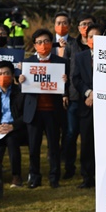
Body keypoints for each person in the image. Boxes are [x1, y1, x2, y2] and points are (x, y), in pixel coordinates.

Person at [19, 29, 69, 189]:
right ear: (34, 45)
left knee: (54, 146)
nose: (43, 45)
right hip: (34, 111)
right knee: (34, 147)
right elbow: (22, 86)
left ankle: (54, 178)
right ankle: (35, 177)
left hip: (53, 111)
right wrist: (20, 79)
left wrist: (65, 82)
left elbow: (67, 87)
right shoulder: (27, 63)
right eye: (39, 42)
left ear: (51, 42)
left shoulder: (61, 62)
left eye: (46, 41)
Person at [61, 13, 92, 180]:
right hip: (73, 96)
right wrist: (64, 93)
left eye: (89, 24)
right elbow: (64, 70)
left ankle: (89, 170)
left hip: (91, 98)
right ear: (78, 28)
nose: (86, 27)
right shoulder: (71, 45)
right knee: (71, 133)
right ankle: (69, 167)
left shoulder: (99, 46)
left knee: (89, 136)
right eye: (83, 24)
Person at [0, 61, 25, 187]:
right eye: (0, 73)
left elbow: (26, 115)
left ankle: (16, 176)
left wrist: (13, 126)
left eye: (6, 73)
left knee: (11, 140)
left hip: (15, 128)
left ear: (13, 75)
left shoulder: (20, 93)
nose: (3, 76)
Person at [71, 30, 97, 189]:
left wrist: (98, 95)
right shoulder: (81, 57)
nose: (93, 39)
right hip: (86, 105)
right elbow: (76, 78)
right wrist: (89, 93)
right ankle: (87, 177)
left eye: (97, 35)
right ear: (86, 39)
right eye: (90, 36)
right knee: (86, 143)